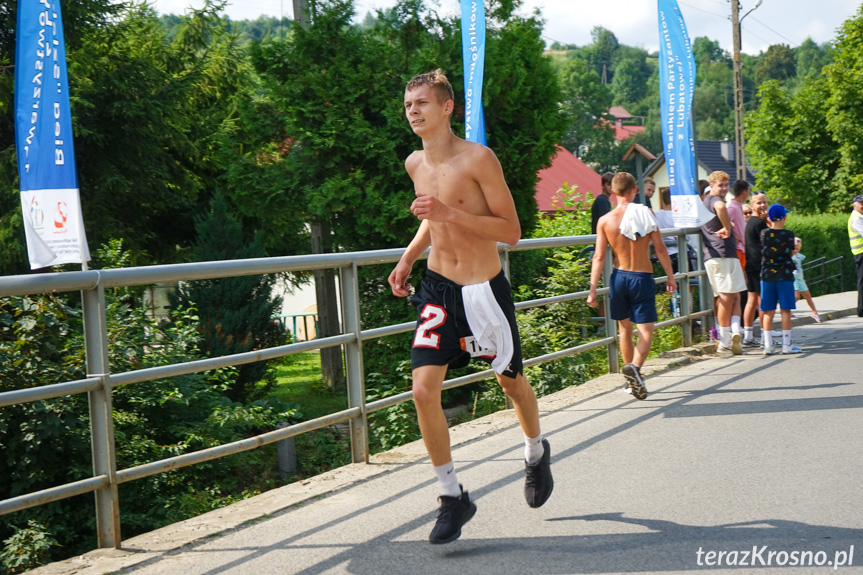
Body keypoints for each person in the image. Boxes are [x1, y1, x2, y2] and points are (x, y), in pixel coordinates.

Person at [388, 69, 553, 545]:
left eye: (421, 102)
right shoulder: (414, 164)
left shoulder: (478, 159)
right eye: (407, 105)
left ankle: (535, 451)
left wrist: (448, 213)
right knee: (422, 390)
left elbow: (511, 231)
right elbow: (429, 222)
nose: (413, 111)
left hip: (483, 289)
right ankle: (451, 496)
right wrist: (406, 260)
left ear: (447, 108)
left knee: (510, 382)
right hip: (438, 288)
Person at [587, 173, 676, 399]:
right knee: (646, 331)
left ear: (614, 192)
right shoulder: (645, 213)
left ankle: (630, 382)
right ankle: (635, 367)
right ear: (635, 190)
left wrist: (592, 289)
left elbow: (598, 257)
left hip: (619, 277)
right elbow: (661, 249)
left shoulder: (605, 220)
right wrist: (670, 276)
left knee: (624, 329)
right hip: (641, 276)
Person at [700, 171, 747, 355]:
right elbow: (719, 206)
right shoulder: (712, 200)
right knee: (727, 298)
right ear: (711, 185)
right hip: (719, 254)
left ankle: (735, 332)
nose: (724, 188)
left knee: (734, 296)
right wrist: (727, 228)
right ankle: (725, 341)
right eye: (720, 185)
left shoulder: (708, 202)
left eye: (726, 185)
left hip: (726, 253)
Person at [760, 204, 801, 354]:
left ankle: (768, 345)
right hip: (784, 275)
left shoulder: (764, 233)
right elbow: (790, 252)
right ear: (785, 217)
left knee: (768, 311)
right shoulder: (789, 234)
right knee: (785, 311)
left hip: (767, 276)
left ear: (769, 218)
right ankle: (786, 344)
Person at [742, 192, 768, 347]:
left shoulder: (751, 221)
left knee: (751, 301)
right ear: (752, 205)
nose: (762, 205)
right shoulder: (759, 223)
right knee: (762, 300)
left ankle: (748, 335)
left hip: (750, 264)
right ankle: (766, 336)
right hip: (760, 264)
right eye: (759, 203)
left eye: (764, 202)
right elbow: (768, 242)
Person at [728, 180, 751, 319]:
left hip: (741, 250)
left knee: (741, 286)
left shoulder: (737, 207)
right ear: (744, 192)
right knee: (737, 288)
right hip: (737, 250)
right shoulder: (733, 208)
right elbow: (727, 223)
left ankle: (738, 321)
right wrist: (735, 237)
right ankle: (736, 321)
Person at [791, 237, 822, 322]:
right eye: (794, 248)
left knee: (808, 296)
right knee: (796, 296)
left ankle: (814, 312)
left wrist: (803, 278)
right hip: (793, 278)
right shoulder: (789, 257)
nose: (795, 250)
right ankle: (787, 309)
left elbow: (800, 268)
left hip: (800, 278)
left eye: (797, 248)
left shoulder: (798, 256)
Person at [850, 194, 863, 317]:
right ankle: (861, 310)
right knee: (862, 282)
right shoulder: (856, 218)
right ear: (855, 205)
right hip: (861, 253)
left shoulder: (860, 217)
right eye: (861, 203)